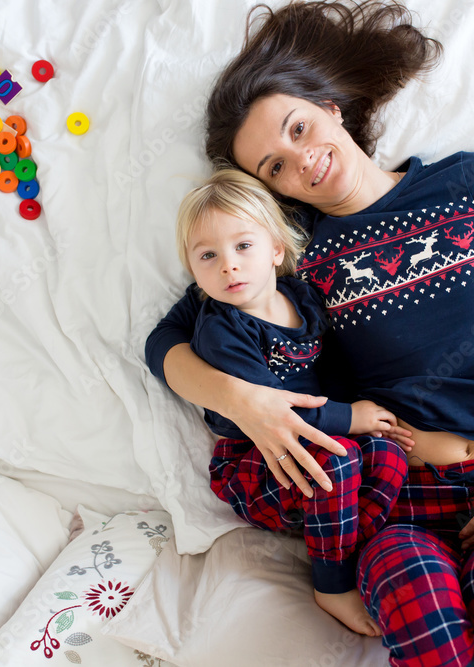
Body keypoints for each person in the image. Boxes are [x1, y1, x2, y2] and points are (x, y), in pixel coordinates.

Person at [146, 2, 474, 666]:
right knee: (419, 612)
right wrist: (245, 402)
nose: (301, 160)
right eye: (274, 166)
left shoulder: (472, 182)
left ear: (330, 107)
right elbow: (165, 341)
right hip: (399, 509)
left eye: (299, 128)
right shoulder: (288, 261)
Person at [175, 166, 413, 636]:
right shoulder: (222, 330)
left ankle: (346, 540)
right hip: (257, 459)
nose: (229, 265)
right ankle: (331, 583)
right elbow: (275, 412)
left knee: (386, 455)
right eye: (208, 256)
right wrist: (352, 418)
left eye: (243, 246)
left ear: (276, 250)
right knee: (336, 463)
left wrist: (362, 410)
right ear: (195, 274)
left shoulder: (300, 299)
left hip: (314, 438)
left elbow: (332, 369)